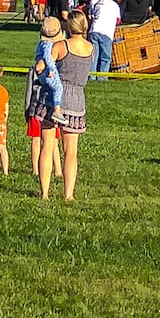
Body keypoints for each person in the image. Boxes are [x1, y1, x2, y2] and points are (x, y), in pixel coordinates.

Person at [47, 11, 94, 203]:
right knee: (71, 151)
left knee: (48, 145)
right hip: (78, 99)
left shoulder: (61, 45)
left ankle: (44, 192)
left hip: (56, 96)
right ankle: (68, 194)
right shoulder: (91, 48)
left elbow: (45, 67)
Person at [24, 16, 64, 183]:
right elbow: (44, 63)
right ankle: (38, 168)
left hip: (40, 96)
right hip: (41, 95)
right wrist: (51, 70)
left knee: (49, 138)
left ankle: (55, 169)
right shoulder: (48, 48)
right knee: (42, 137)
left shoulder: (41, 45)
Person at [89, 0, 122, 76]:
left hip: (94, 30)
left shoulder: (97, 4)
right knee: (105, 56)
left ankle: (92, 75)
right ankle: (102, 76)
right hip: (106, 32)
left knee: (94, 55)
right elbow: (118, 20)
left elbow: (93, 15)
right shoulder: (115, 5)